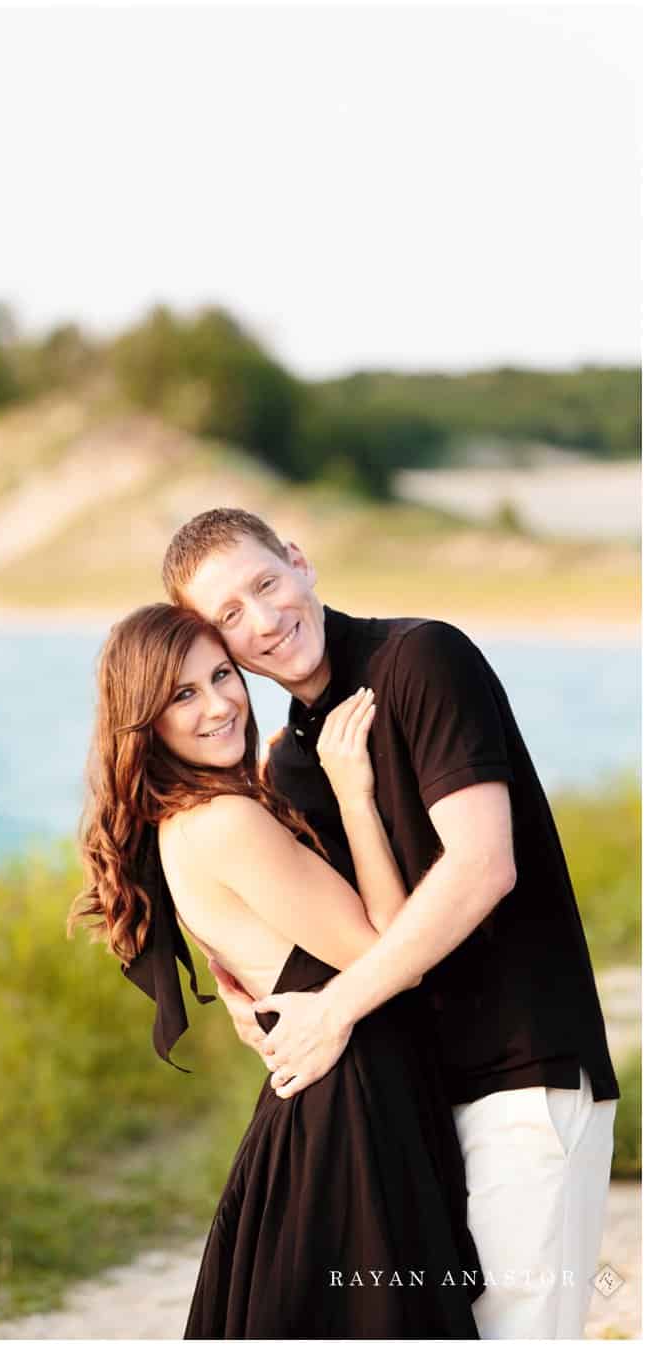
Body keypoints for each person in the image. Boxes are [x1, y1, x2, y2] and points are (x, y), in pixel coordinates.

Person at [161, 506, 620, 1341]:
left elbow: (484, 863)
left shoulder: (420, 658)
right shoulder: (291, 763)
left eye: (266, 583)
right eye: (229, 615)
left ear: (300, 561)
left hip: (524, 1075)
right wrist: (245, 991)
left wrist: (335, 1009)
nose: (263, 620)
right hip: (411, 1110)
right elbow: (328, 923)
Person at [69, 602, 484, 1339]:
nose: (220, 703)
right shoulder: (223, 822)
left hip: (340, 1096)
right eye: (182, 694)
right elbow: (386, 950)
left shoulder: (197, 813)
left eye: (222, 675)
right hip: (347, 1113)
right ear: (145, 719)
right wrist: (353, 791)